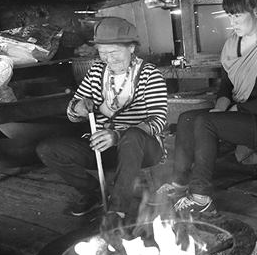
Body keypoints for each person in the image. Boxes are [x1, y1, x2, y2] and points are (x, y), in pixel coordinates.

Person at [162, 0, 257, 214]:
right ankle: (179, 184)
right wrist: (220, 108)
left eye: (237, 16)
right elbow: (226, 87)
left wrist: (230, 112)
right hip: (241, 112)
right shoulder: (233, 43)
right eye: (230, 16)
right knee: (187, 119)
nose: (232, 22)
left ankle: (201, 196)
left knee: (206, 123)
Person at [36, 17, 168, 224]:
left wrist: (116, 135)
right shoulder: (96, 72)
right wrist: (78, 108)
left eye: (114, 52)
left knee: (132, 136)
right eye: (103, 52)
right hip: (102, 149)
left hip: (142, 150)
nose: (109, 59)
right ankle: (94, 192)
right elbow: (72, 111)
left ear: (131, 48)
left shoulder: (149, 74)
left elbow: (158, 120)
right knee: (48, 148)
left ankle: (118, 210)